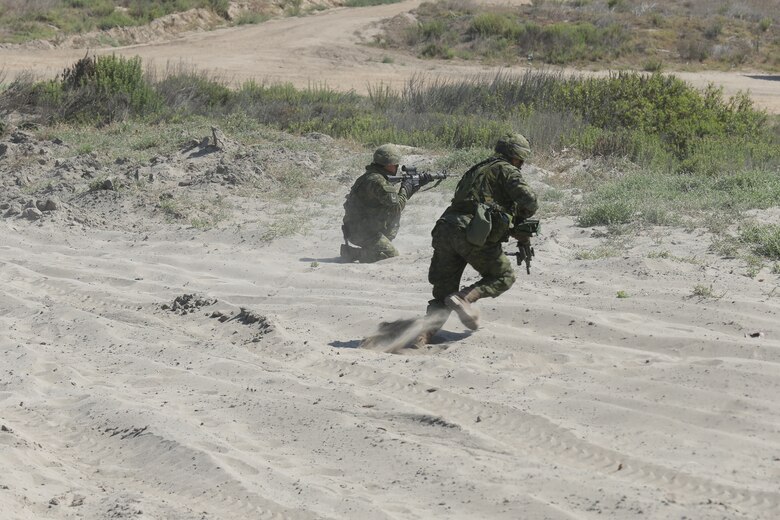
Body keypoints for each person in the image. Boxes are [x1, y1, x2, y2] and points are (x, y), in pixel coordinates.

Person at [412, 133, 539, 348]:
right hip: (472, 234)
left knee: (442, 294)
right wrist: (519, 217)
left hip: (445, 229)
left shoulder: (476, 169)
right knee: (503, 276)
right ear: (517, 157)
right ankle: (465, 298)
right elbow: (530, 201)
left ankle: (422, 336)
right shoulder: (507, 170)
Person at [341, 144, 426, 263]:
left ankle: (374, 246)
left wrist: (412, 187)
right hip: (362, 232)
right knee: (390, 255)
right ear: (389, 164)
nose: (397, 167)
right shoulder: (377, 181)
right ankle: (354, 253)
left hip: (357, 228)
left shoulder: (370, 177)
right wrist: (406, 187)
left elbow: (395, 200)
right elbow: (396, 206)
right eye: (396, 164)